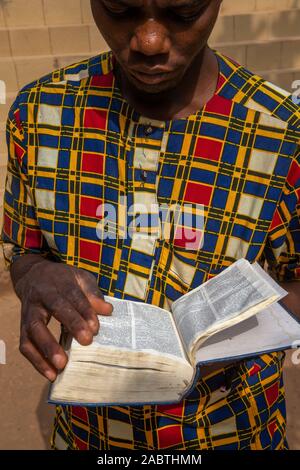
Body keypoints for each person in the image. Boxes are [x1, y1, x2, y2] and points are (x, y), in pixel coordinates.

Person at [1, 0, 299, 450]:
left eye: (183, 14)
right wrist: (34, 276)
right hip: (90, 434)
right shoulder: (40, 114)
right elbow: (23, 251)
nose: (150, 43)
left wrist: (238, 336)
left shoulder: (281, 133)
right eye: (120, 10)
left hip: (232, 428)